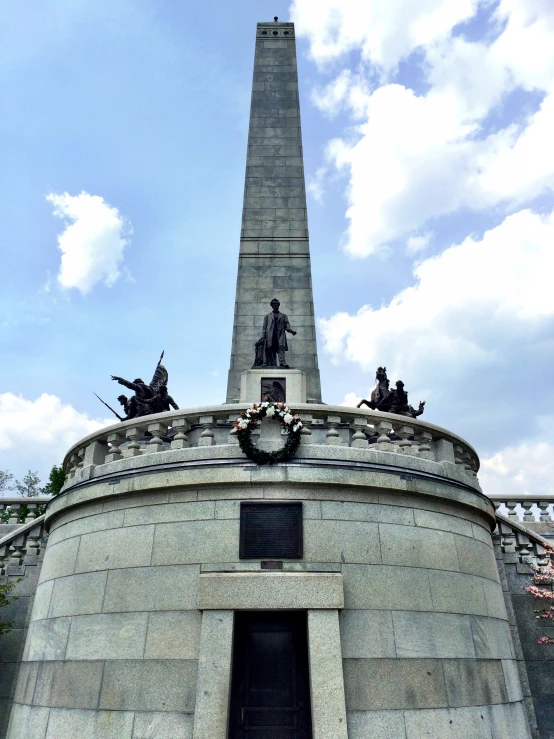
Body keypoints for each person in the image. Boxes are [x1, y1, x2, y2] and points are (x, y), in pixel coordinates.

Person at [261, 298, 297, 367]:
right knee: (272, 350)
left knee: (281, 348)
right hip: (270, 336)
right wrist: (263, 337)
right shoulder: (267, 316)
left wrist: (291, 331)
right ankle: (273, 364)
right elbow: (264, 328)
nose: (275, 305)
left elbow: (287, 326)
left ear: (279, 305)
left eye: (277, 304)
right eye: (274, 304)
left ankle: (282, 363)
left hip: (280, 335)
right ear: (271, 305)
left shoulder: (283, 316)